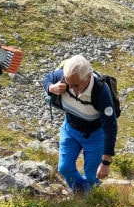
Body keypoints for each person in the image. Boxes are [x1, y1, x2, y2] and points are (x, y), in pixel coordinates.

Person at [43, 54, 118, 198]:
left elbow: (110, 126)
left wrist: (106, 162)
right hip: (70, 129)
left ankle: (88, 202)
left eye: (76, 85)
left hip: (95, 135)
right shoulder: (63, 77)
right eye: (69, 84)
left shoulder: (101, 91)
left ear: (88, 77)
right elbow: (47, 78)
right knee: (64, 168)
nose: (71, 88)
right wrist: (51, 88)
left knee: (92, 175)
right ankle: (79, 191)